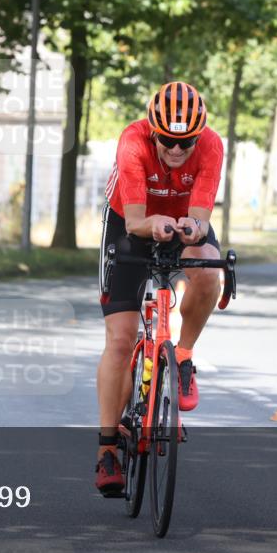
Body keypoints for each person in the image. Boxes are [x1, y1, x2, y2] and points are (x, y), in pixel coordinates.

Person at [95, 81, 224, 496]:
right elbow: (134, 221)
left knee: (207, 271)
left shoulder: (211, 146)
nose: (175, 148)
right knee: (120, 340)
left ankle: (182, 355)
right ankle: (108, 448)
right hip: (130, 223)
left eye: (185, 141)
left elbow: (201, 214)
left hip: (181, 221)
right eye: (167, 139)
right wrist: (155, 224)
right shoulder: (132, 142)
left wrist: (194, 226)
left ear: (198, 135)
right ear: (153, 130)